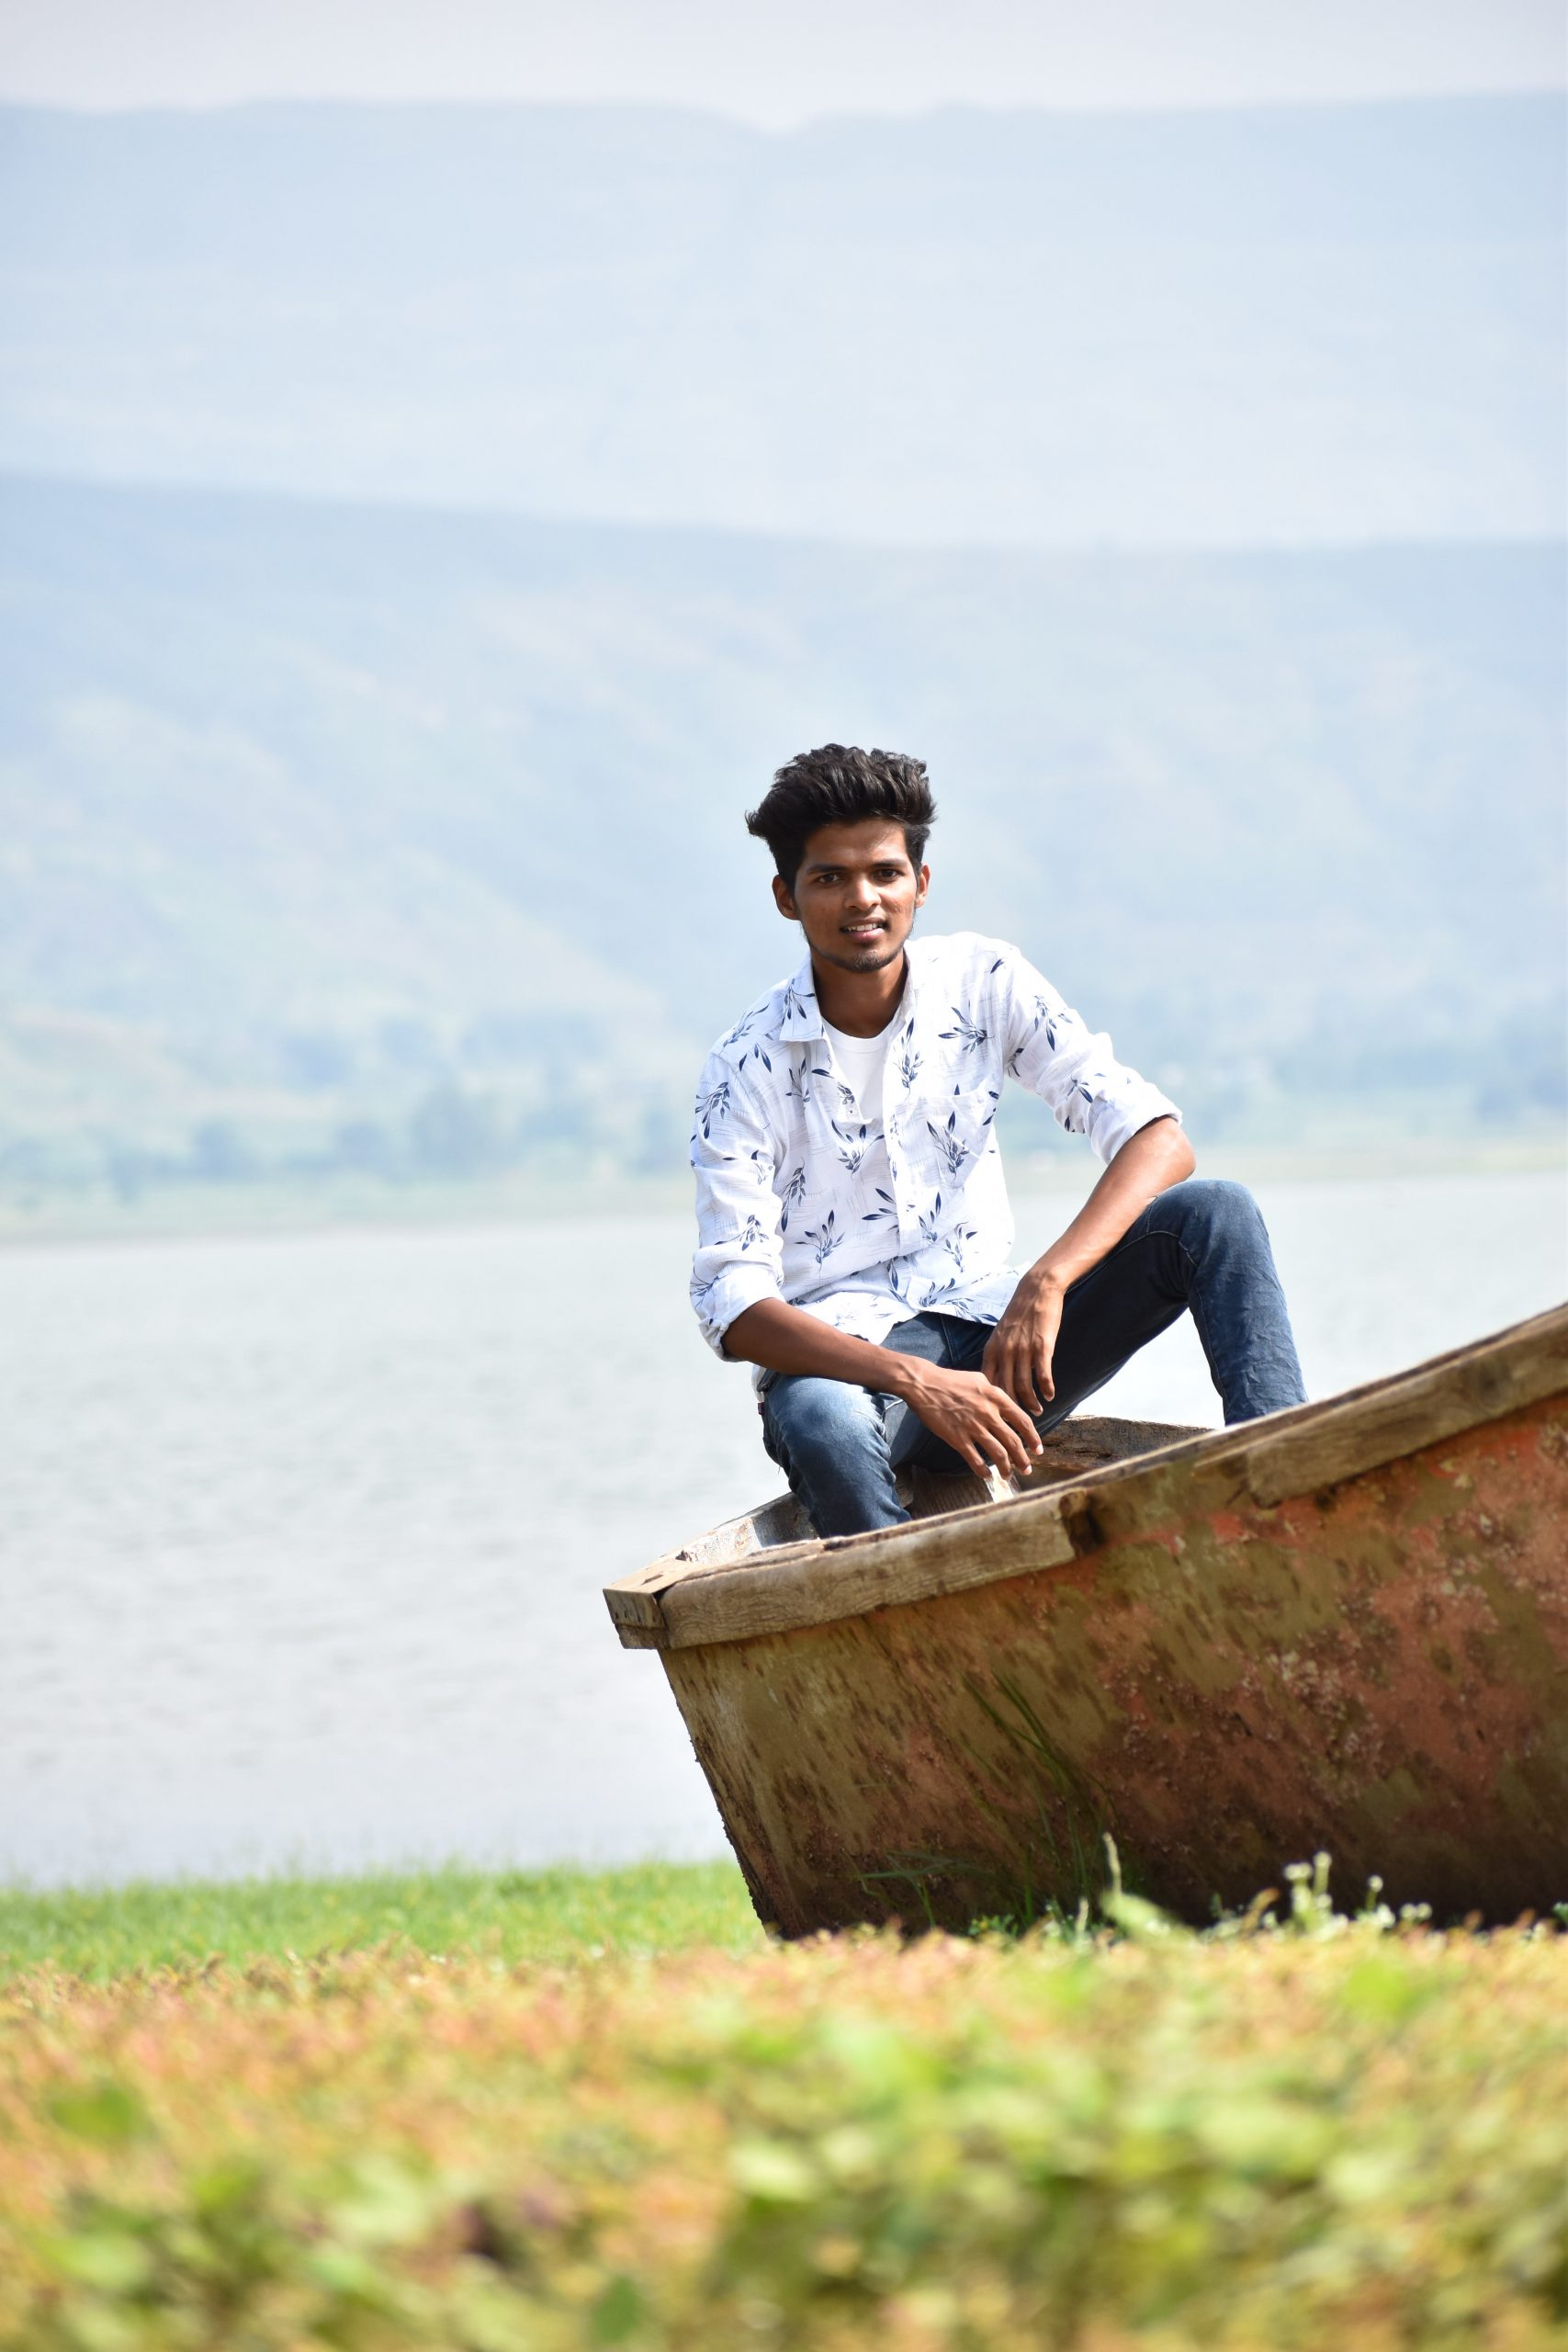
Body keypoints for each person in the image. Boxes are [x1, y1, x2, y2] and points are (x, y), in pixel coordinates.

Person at [689, 744, 1305, 1538]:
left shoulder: (985, 982)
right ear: (787, 896)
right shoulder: (744, 1065)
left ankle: (1288, 1479)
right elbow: (734, 1309)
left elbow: (1155, 1136)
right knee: (819, 1419)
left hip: (1007, 1343)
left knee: (1214, 1212)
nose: (862, 899)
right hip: (859, 1377)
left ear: (920, 883)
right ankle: (911, 1602)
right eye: (829, 878)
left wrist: (1047, 1282)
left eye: (883, 872)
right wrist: (914, 1380)